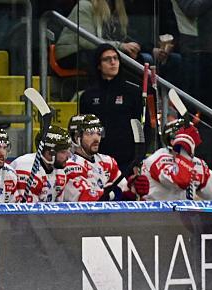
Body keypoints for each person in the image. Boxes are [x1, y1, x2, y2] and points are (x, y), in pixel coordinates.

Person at [79, 43, 143, 174]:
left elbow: (142, 128)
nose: (113, 62)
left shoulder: (133, 92)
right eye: (107, 59)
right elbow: (83, 131)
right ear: (98, 65)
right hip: (97, 161)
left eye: (116, 58)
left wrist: (138, 159)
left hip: (127, 161)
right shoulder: (88, 95)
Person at [64, 113, 147, 201]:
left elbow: (124, 193)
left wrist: (132, 190)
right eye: (90, 133)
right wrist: (113, 193)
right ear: (76, 137)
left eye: (99, 133)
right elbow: (87, 201)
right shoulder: (68, 165)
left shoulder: (107, 162)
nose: (96, 138)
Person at [55, 0, 142, 70]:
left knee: (139, 59)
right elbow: (87, 42)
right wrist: (121, 46)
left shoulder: (115, 10)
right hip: (72, 53)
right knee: (113, 62)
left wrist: (132, 48)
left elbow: (122, 38)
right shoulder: (84, 5)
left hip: (97, 51)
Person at [11, 126, 72, 203]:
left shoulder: (60, 173)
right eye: (63, 152)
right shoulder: (27, 169)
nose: (69, 156)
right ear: (49, 153)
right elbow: (26, 212)